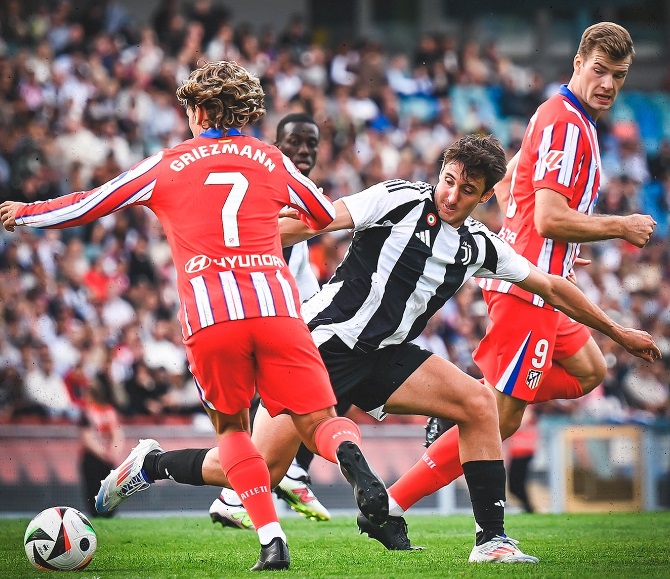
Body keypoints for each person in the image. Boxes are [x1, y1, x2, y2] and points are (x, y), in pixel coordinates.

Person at [83, 134, 659, 564]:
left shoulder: (476, 245)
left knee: (480, 406)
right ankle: (150, 462)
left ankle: (492, 541)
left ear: (485, 197)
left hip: (387, 355)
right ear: (442, 171)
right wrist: (232, 243)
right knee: (248, 473)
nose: (453, 194)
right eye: (450, 179)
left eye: (469, 190)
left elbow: (553, 286)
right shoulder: (396, 198)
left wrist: (619, 334)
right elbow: (317, 221)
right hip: (318, 349)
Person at [0, 60, 390, 572]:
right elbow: (319, 213)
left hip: (212, 318)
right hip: (277, 310)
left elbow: (90, 205)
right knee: (319, 419)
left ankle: (272, 541)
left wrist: (23, 212)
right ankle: (352, 462)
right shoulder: (269, 158)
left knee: (232, 430)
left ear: (200, 110)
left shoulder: (167, 164)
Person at [418, 22, 659, 520]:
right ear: (577, 64)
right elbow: (548, 217)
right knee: (499, 421)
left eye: (618, 75)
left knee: (590, 370)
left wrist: (565, 251)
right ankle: (394, 500)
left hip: (543, 275)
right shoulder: (569, 125)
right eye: (599, 70)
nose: (609, 84)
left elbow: (511, 190)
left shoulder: (558, 114)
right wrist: (620, 225)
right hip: (531, 288)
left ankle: (473, 401)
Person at [209, 113, 333, 528]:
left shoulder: (298, 200)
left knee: (332, 363)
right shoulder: (263, 189)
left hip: (269, 319)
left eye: (311, 145)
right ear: (275, 145)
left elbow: (304, 286)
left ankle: (270, 483)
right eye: (294, 143)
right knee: (241, 423)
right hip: (229, 313)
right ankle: (159, 467)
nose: (303, 151)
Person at [79, 381, 125, 518]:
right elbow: (117, 434)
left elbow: (87, 437)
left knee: (93, 489)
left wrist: (102, 452)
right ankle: (108, 514)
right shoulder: (109, 411)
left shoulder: (88, 412)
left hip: (94, 456)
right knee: (108, 489)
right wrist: (113, 452)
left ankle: (97, 514)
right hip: (107, 456)